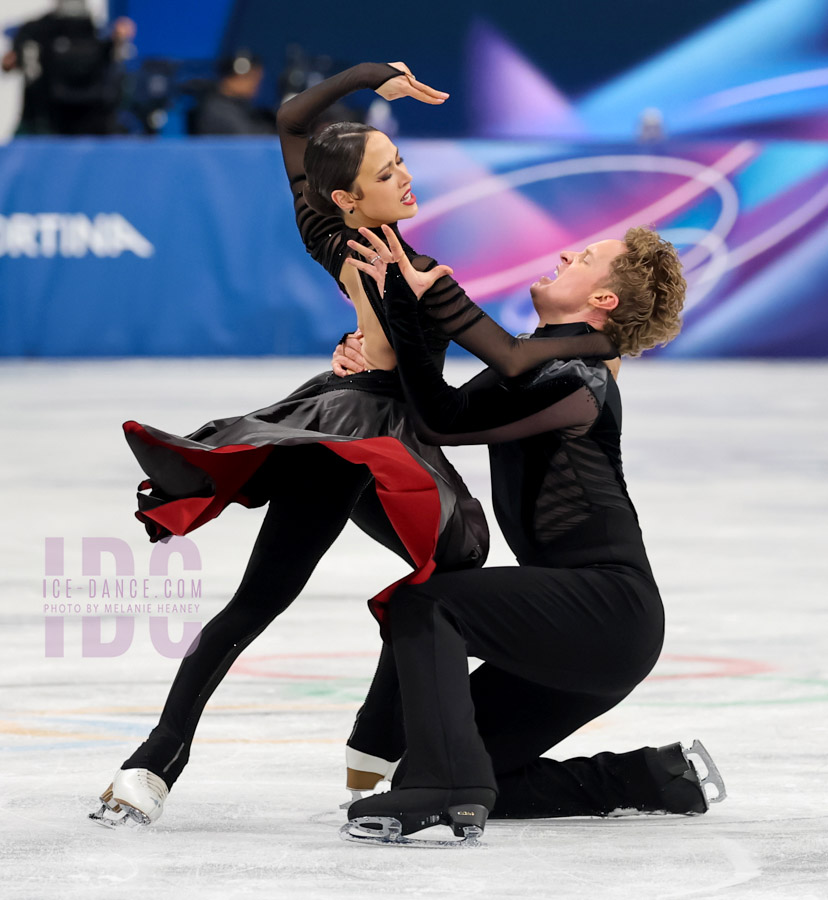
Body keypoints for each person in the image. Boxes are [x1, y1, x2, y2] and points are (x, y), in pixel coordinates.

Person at [89, 62, 614, 827]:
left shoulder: (352, 242)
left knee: (444, 575)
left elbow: (293, 122)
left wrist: (375, 77)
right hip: (359, 435)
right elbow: (459, 358)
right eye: (385, 171)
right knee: (277, 595)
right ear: (348, 198)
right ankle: (158, 760)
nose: (404, 176)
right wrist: (598, 346)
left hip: (384, 433)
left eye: (399, 161)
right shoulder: (387, 261)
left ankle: (373, 742)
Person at [339, 224, 725, 846]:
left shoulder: (582, 378)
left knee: (426, 605)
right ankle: (647, 779)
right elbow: (439, 416)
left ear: (604, 300)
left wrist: (430, 291)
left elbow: (465, 398)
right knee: (466, 770)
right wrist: (371, 355)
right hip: (591, 634)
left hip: (607, 609)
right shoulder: (546, 363)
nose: (568, 254)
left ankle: (444, 789)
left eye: (588, 257)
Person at [1, 0, 134, 135]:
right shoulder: (36, 30)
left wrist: (117, 40)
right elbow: (10, 62)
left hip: (93, 114)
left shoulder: (98, 33)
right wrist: (15, 58)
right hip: (48, 115)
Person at [189, 51, 277, 136]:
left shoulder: (244, 107)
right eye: (246, 77)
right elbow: (248, 140)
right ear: (226, 79)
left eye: (256, 78)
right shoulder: (216, 107)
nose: (253, 83)